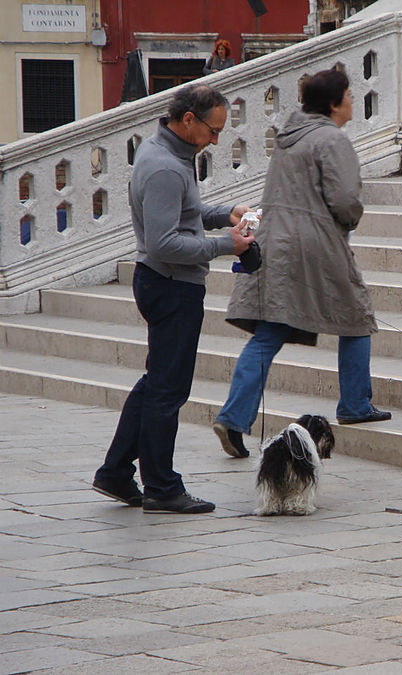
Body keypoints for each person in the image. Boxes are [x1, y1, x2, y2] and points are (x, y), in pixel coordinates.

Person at [93, 84, 255, 514]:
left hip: (162, 282)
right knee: (167, 390)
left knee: (156, 385)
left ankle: (114, 472)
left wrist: (226, 214)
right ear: (187, 120)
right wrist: (227, 245)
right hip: (170, 285)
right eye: (213, 130)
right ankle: (162, 487)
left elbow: (185, 212)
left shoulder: (167, 155)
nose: (216, 140)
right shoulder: (166, 166)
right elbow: (166, 242)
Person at [213, 68, 390, 460]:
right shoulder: (331, 138)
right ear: (334, 103)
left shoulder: (289, 138)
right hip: (315, 242)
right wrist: (347, 224)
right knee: (357, 316)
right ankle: (356, 404)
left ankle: (233, 417)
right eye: (348, 94)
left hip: (276, 240)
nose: (351, 101)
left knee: (269, 332)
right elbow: (345, 199)